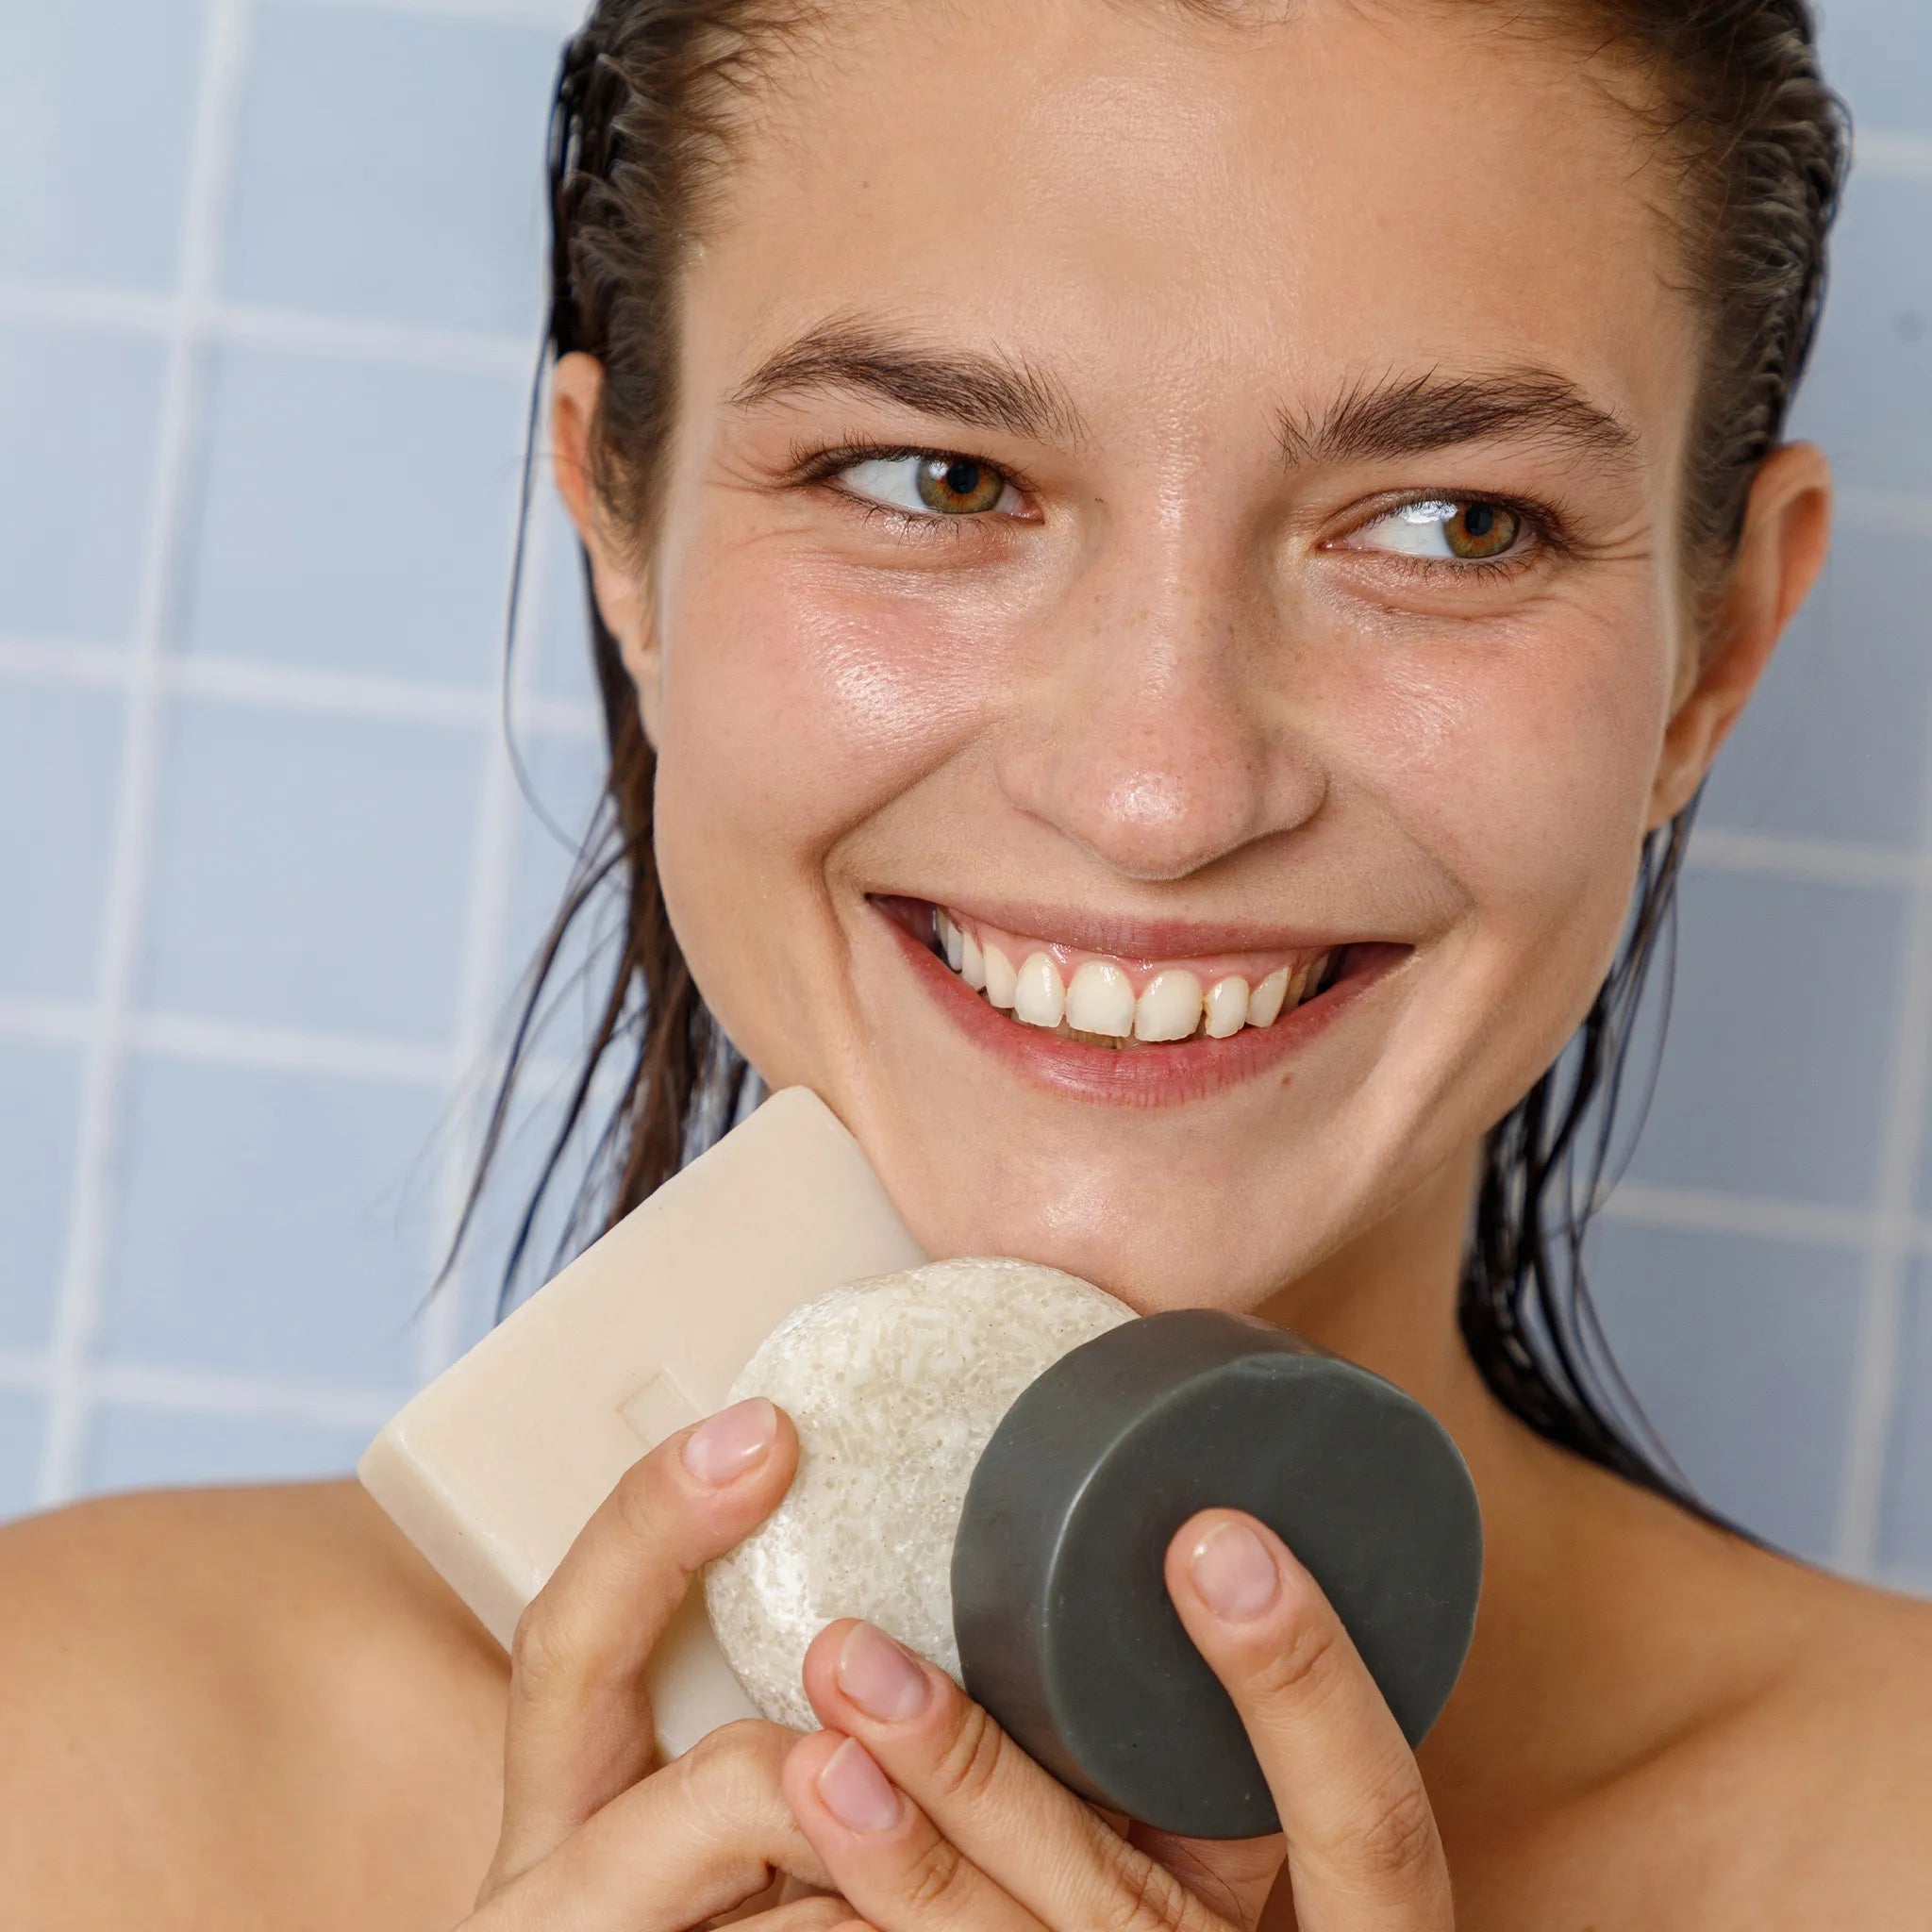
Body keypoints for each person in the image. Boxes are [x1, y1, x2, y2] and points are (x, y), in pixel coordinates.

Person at [5, 0, 1928, 1924]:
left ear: (1719, 645)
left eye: (1449, 524)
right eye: (933, 479)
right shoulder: (81, 1766)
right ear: (620, 530)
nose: (1159, 790)